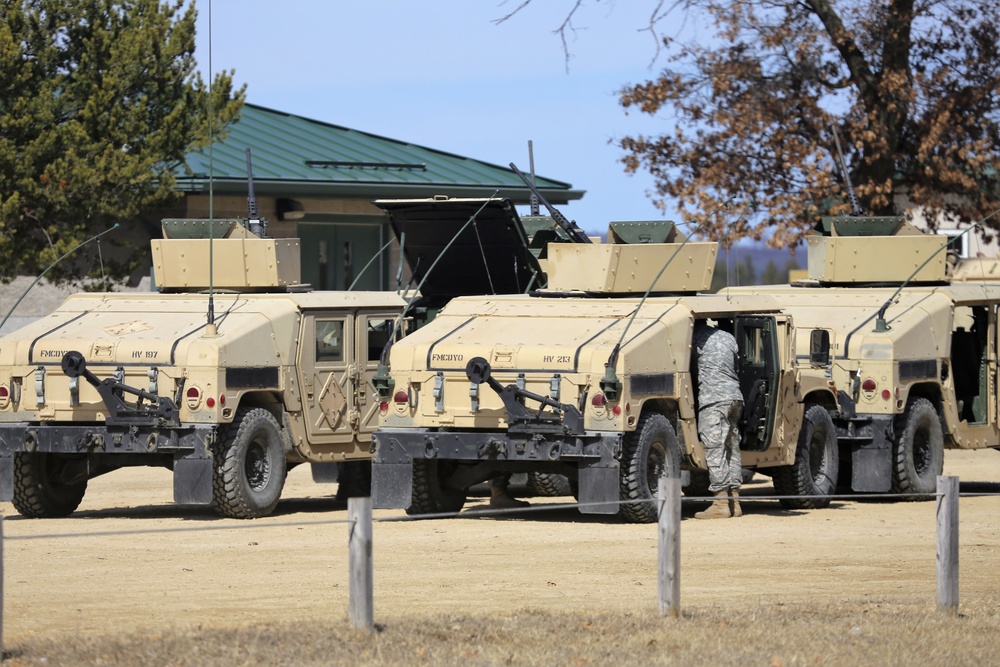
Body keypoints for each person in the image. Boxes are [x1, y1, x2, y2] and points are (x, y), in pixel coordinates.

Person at [692, 320, 745, 519]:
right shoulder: (727, 336)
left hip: (713, 399)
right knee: (732, 447)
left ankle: (721, 503)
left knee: (715, 449)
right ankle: (735, 502)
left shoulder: (693, 338)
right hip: (734, 396)